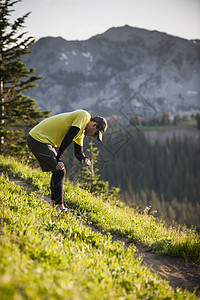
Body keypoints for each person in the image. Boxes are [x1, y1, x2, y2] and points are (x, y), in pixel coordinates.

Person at [27, 109, 107, 213]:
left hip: (42, 141)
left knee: (58, 171)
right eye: (96, 134)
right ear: (94, 124)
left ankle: (54, 204)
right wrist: (58, 159)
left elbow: (78, 152)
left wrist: (84, 158)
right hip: (37, 139)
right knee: (59, 170)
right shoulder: (84, 115)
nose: (93, 137)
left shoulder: (81, 132)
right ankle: (59, 207)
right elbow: (68, 137)